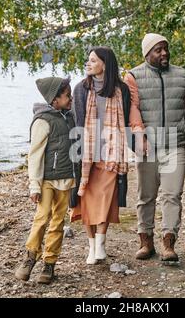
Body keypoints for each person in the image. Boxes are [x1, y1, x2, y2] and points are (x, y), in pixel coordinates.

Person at [124, 33, 185, 263]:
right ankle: (146, 241)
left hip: (174, 143)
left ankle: (169, 243)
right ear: (147, 54)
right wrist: (139, 134)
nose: (164, 53)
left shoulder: (181, 74)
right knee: (146, 196)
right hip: (148, 146)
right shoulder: (133, 76)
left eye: (165, 49)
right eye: (158, 50)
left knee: (172, 195)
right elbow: (132, 108)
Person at [70, 46, 130, 265]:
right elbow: (77, 123)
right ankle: (91, 245)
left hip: (112, 152)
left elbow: (125, 122)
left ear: (105, 64)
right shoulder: (81, 89)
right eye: (88, 60)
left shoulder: (121, 89)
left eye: (93, 60)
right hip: (87, 153)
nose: (89, 64)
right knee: (85, 199)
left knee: (106, 198)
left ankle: (101, 243)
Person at [15, 77, 76, 284]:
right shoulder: (42, 121)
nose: (71, 98)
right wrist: (34, 185)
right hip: (46, 180)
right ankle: (30, 257)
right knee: (42, 218)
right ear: (55, 99)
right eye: (67, 95)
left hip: (65, 178)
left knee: (58, 221)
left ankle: (49, 264)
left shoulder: (69, 117)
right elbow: (35, 155)